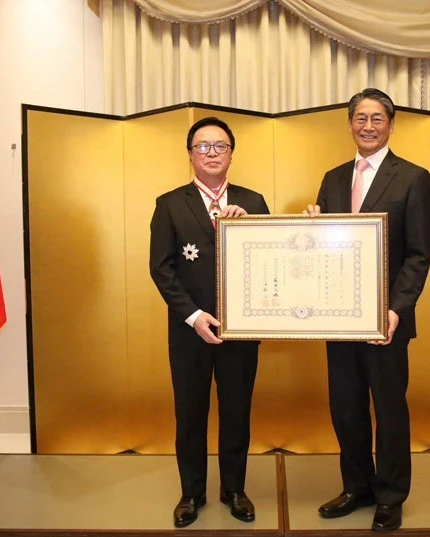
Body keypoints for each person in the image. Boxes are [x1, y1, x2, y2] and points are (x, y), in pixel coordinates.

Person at [306, 88, 430, 532]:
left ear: (391, 125)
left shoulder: (414, 178)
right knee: (346, 407)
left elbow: (418, 255)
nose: (368, 126)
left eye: (377, 118)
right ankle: (356, 487)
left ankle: (391, 495)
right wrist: (311, 231)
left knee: (389, 407)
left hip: (386, 321)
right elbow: (325, 249)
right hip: (337, 316)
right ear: (349, 124)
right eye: (360, 118)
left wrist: (397, 310)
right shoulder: (333, 177)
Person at [150, 116, 270, 528]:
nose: (212, 153)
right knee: (191, 413)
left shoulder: (253, 202)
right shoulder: (169, 204)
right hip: (190, 332)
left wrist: (249, 228)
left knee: (237, 411)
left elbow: (272, 264)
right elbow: (161, 268)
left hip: (241, 331)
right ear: (190, 155)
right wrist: (194, 316)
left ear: (232, 153)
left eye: (220, 146)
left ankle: (234, 490)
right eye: (203, 146)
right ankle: (192, 492)